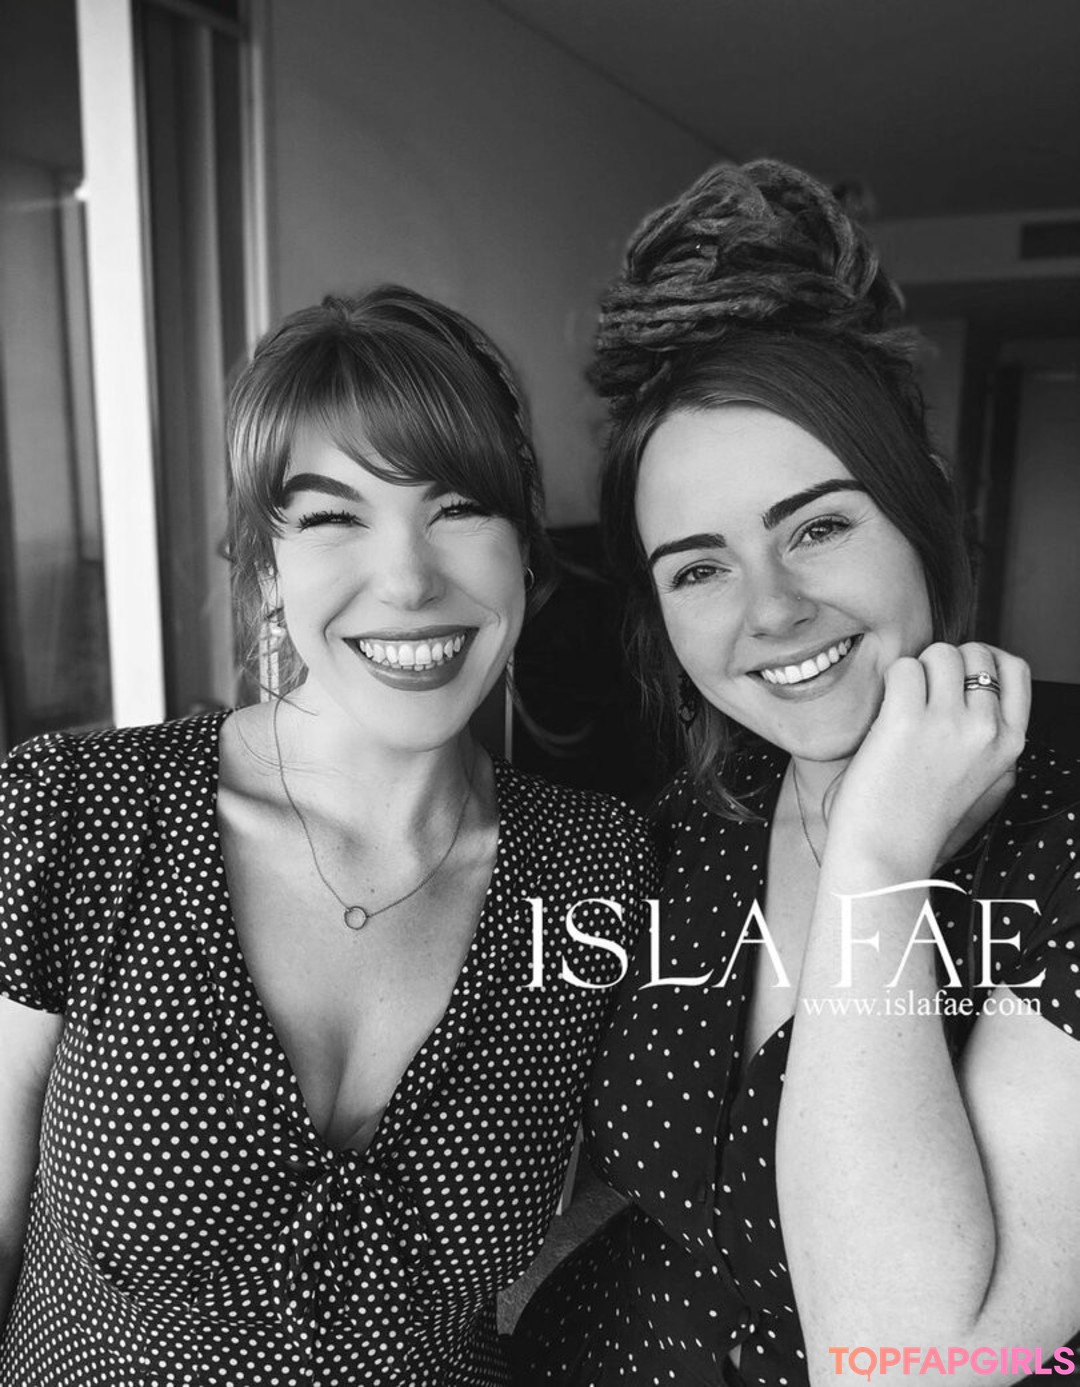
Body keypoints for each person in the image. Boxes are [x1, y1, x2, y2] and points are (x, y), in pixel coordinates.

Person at [0, 286, 657, 1386]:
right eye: (332, 516)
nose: (407, 579)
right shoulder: (77, 810)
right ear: (265, 568)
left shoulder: (597, 867)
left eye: (459, 507)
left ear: (526, 557)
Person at [513, 161, 1080, 1385]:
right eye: (699, 567)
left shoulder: (1063, 847)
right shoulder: (698, 822)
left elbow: (908, 1363)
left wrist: (879, 858)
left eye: (818, 526)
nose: (771, 610)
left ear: (925, 515)